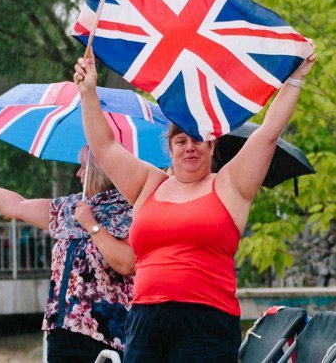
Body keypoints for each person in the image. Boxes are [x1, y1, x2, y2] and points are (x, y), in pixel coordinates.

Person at [74, 47, 317, 362]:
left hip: (206, 325)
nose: (190, 147)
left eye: (198, 139)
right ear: (170, 149)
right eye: (181, 141)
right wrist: (88, 93)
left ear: (212, 145)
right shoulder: (149, 183)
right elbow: (104, 146)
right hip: (146, 322)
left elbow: (268, 132)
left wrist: (294, 79)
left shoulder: (229, 184)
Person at [0, 146, 135, 362]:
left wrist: (91, 225)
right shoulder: (71, 208)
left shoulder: (128, 211)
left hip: (106, 339)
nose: (78, 174)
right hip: (62, 333)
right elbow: (17, 206)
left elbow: (127, 263)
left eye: (83, 167)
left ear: (100, 172)